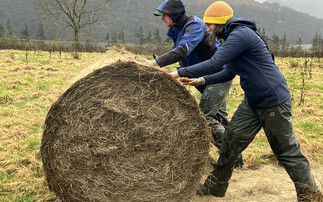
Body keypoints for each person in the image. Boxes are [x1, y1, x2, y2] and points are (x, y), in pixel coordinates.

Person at [170, 1, 320, 200]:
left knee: (287, 151)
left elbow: (215, 62)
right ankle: (216, 186)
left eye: (210, 25)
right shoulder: (232, 38)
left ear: (219, 23)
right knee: (231, 142)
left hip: (273, 100)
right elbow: (228, 72)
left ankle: (310, 195)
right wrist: (201, 80)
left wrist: (178, 72)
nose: (207, 29)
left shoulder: (241, 35)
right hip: (252, 101)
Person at [151, 0, 243, 168]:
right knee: (219, 118)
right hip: (208, 77)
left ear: (173, 14)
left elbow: (183, 51)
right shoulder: (179, 30)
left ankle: (231, 158)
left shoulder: (194, 26)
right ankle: (236, 159)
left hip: (217, 76)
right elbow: (188, 58)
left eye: (164, 15)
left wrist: (155, 64)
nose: (162, 19)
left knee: (206, 118)